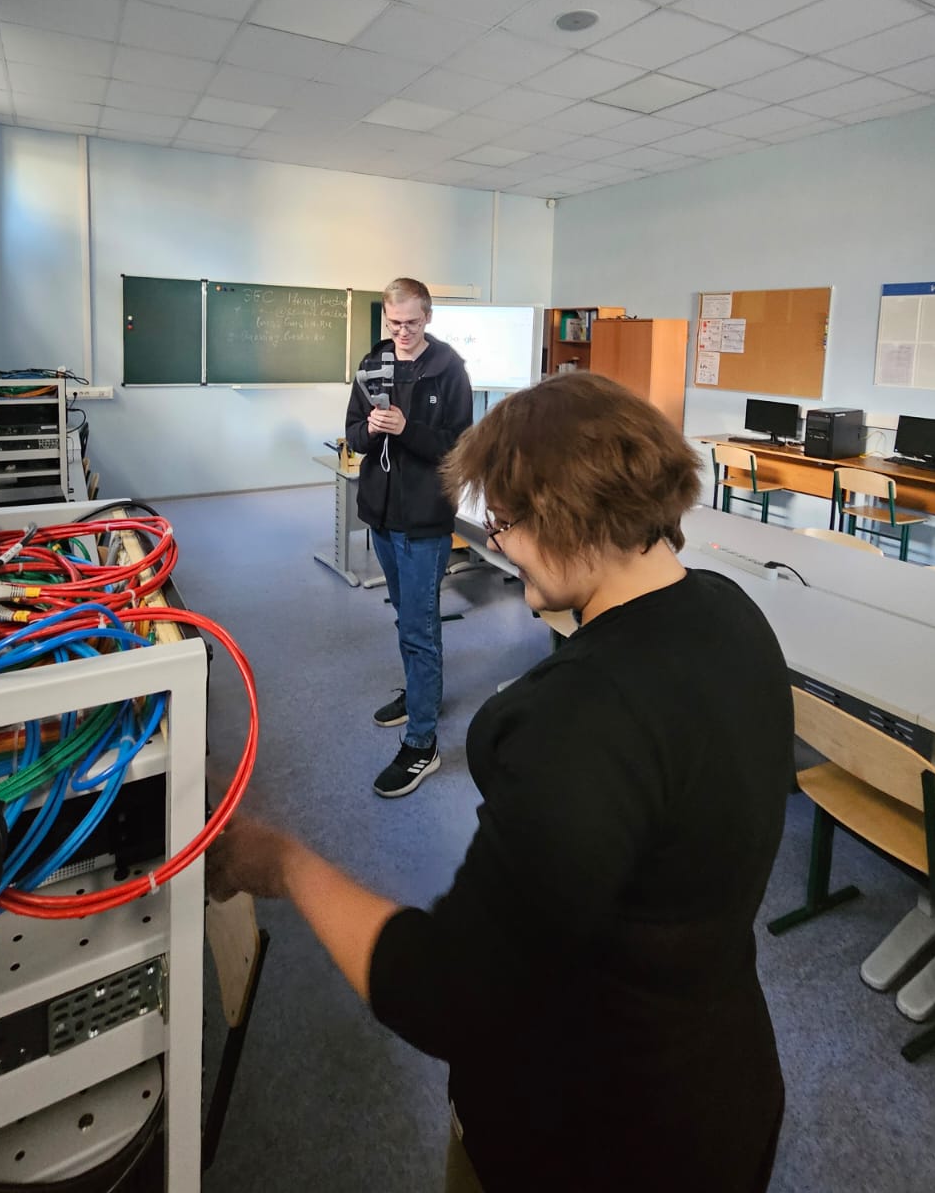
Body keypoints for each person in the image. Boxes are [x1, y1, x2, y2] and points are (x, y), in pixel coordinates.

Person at [209, 372, 793, 1192]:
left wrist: (281, 863)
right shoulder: (734, 614)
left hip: (589, 1138)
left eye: (507, 524)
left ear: (564, 517)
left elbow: (449, 995)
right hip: (725, 1093)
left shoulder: (579, 717)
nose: (500, 546)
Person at [344, 277, 473, 798]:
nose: (402, 332)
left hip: (424, 521)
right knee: (407, 617)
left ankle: (423, 743)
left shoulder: (449, 368)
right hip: (382, 518)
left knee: (420, 628)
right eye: (394, 323)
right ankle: (421, 694)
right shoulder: (372, 363)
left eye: (412, 323)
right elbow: (353, 436)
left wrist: (406, 429)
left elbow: (460, 448)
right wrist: (373, 429)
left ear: (429, 317)